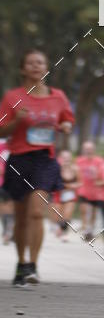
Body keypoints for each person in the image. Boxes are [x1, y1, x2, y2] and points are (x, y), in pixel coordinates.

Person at [0, 49, 75, 285]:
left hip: (45, 159)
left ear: (46, 67)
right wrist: (16, 122)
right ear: (23, 69)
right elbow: (1, 130)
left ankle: (32, 265)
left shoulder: (58, 96)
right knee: (21, 218)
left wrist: (65, 127)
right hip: (20, 159)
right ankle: (21, 263)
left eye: (40, 62)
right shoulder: (13, 97)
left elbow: (68, 120)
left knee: (35, 212)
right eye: (30, 63)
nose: (35, 66)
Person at [77, 141, 104, 240]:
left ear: (93, 150)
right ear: (84, 150)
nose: (88, 150)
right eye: (86, 149)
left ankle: (90, 229)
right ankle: (85, 230)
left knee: (93, 212)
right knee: (84, 210)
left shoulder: (99, 161)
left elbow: (103, 174)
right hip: (83, 189)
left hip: (96, 191)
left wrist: (96, 172)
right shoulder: (79, 161)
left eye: (90, 149)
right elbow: (75, 173)